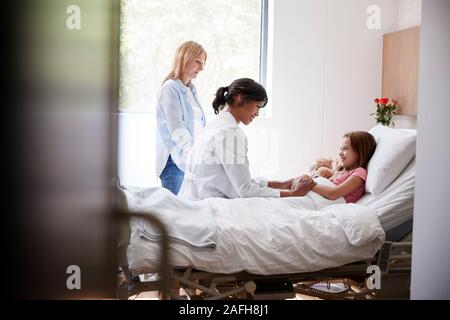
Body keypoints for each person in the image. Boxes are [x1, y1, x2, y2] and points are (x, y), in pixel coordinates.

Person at [178, 78, 316, 200]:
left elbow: (234, 180)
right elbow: (245, 189)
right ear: (240, 97)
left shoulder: (214, 125)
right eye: (257, 106)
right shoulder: (230, 132)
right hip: (207, 204)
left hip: (191, 198)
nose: (257, 113)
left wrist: (281, 184)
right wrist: (292, 194)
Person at [155, 41, 207, 195]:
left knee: (184, 212)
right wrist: (193, 152)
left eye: (203, 63)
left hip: (189, 159)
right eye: (198, 61)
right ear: (184, 58)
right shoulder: (170, 88)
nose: (202, 67)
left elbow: (198, 125)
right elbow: (176, 128)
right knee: (172, 213)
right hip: (174, 160)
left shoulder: (191, 89)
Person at [292, 131, 376, 203]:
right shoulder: (340, 171)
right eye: (340, 149)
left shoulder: (359, 172)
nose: (340, 153)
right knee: (299, 179)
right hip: (315, 196)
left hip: (325, 201)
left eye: (345, 149)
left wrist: (308, 184)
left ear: (360, 152)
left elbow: (333, 194)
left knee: (303, 179)